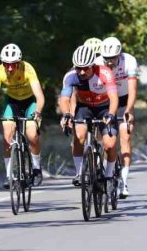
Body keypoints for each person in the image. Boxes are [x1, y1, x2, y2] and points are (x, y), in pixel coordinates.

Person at [59, 44, 119, 187]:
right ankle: (80, 173)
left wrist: (111, 114)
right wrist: (66, 114)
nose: (81, 71)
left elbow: (114, 97)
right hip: (85, 107)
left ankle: (109, 174)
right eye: (78, 68)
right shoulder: (70, 76)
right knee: (79, 136)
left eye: (86, 68)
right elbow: (64, 98)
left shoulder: (104, 73)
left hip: (105, 107)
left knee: (109, 145)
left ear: (93, 65)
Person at [0, 43, 46, 188]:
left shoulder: (28, 69)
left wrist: (38, 112)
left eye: (13, 65)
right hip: (11, 102)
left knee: (32, 135)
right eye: (6, 64)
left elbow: (40, 96)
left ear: (19, 62)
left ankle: (37, 168)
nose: (9, 68)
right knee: (7, 138)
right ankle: (9, 176)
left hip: (30, 102)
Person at [96, 36, 138, 198]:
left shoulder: (129, 61)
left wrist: (129, 110)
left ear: (119, 55)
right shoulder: (98, 63)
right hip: (105, 101)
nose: (110, 62)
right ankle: (100, 162)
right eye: (107, 59)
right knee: (104, 139)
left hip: (124, 100)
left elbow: (133, 90)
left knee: (125, 136)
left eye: (113, 59)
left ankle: (124, 181)